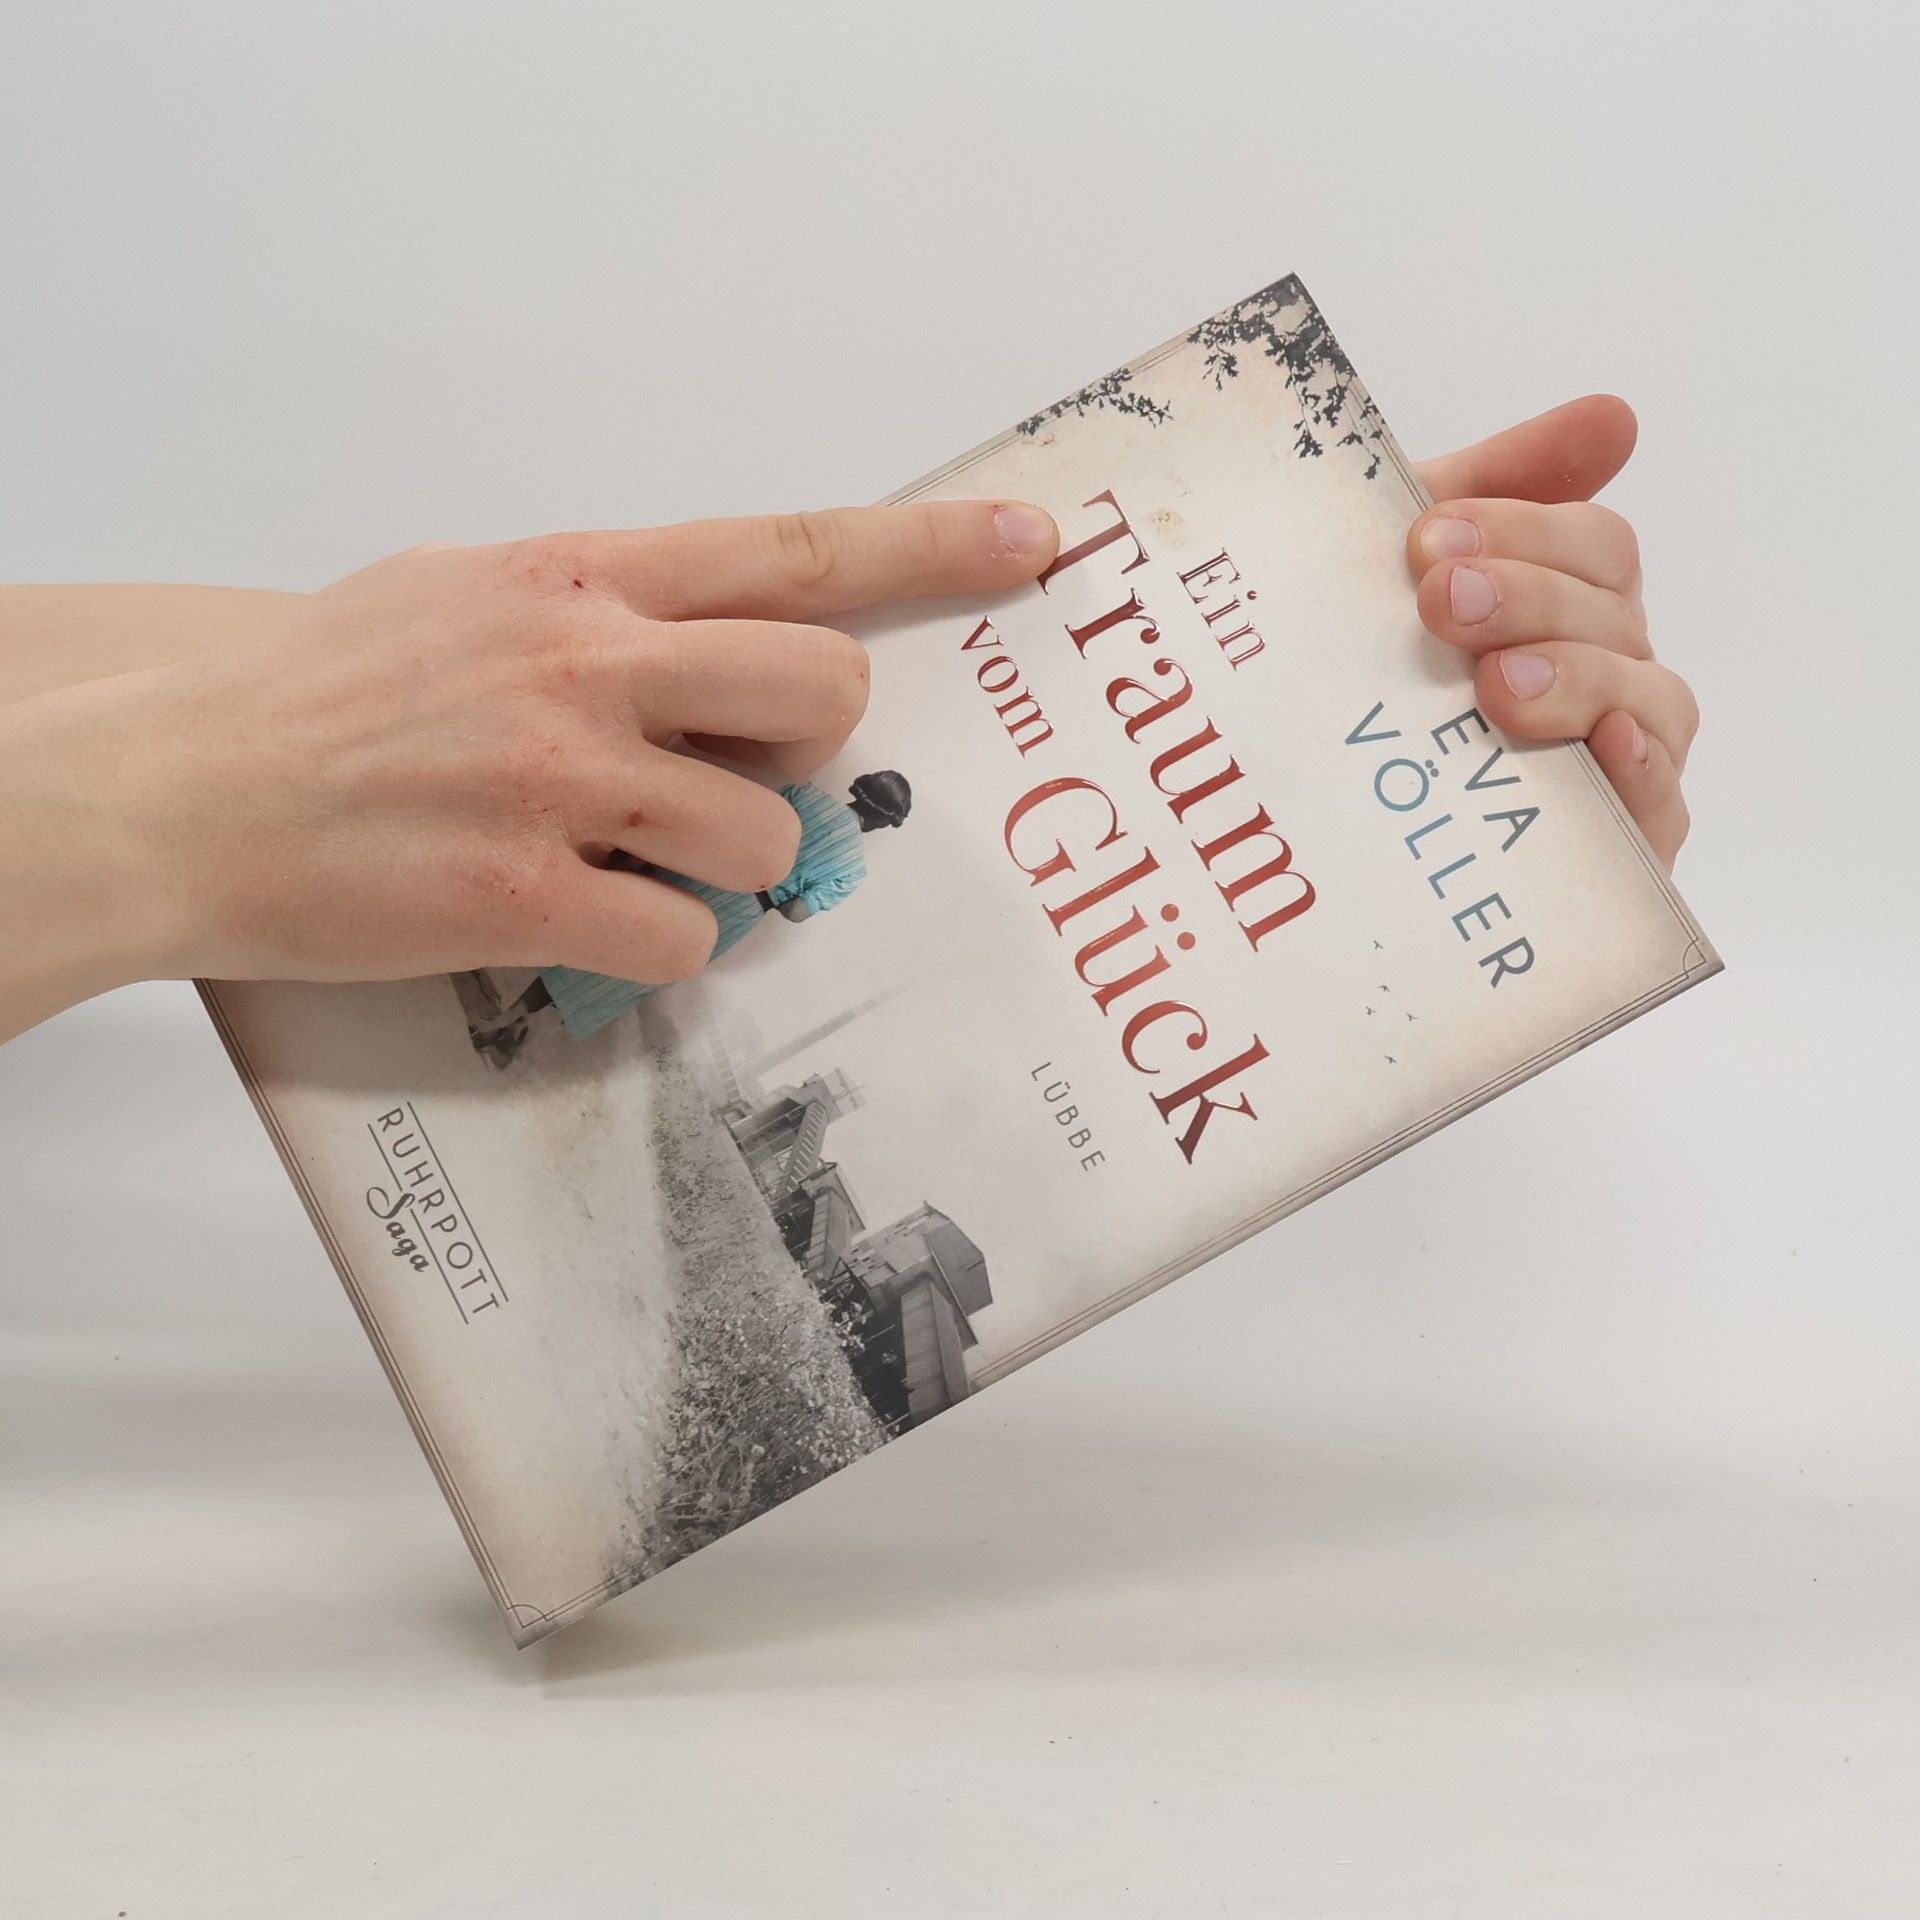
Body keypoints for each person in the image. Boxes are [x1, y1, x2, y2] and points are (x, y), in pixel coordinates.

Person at [0, 398, 1697, 1048]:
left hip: (658, 902)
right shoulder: (832, 846)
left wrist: (1231, 677)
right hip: (670, 921)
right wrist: (176, 816)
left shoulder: (830, 826)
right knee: (580, 985)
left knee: (564, 977)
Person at [455, 769, 912, 1068]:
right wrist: (783, 885)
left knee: (614, 939)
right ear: (883, 822)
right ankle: (523, 1036)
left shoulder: (804, 795)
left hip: (708, 870)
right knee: (636, 974)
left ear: (860, 791)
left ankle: (506, 1019)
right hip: (737, 913)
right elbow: (795, 913)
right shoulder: (852, 868)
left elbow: (744, 824)